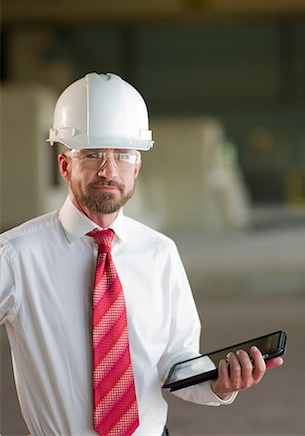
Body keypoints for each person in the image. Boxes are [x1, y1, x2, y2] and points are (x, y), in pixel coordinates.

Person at [0, 72, 283, 436]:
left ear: (138, 167)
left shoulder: (160, 254)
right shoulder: (16, 256)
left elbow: (177, 364)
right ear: (65, 166)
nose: (109, 169)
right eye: (93, 154)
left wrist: (220, 384)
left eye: (122, 155)